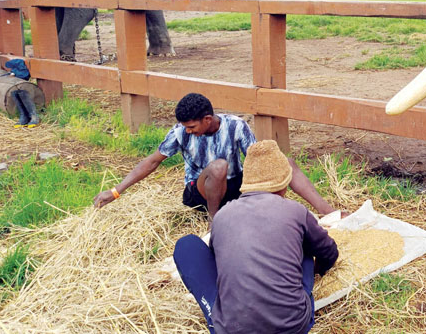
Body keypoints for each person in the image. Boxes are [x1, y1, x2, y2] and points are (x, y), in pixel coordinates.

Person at [93, 93, 339, 229]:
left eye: (192, 126)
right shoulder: (179, 132)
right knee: (219, 166)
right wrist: (115, 192)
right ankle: (215, 224)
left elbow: (256, 159)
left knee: (285, 162)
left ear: (208, 119)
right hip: (200, 192)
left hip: (236, 188)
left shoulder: (235, 126)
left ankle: (328, 212)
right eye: (185, 127)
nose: (188, 131)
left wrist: (272, 182)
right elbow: (151, 162)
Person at [173, 140, 339, 334]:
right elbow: (329, 253)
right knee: (303, 242)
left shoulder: (222, 216)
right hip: (292, 327)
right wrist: (316, 268)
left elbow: (219, 264)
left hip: (232, 329)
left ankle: (217, 317)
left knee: (187, 245)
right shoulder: (296, 211)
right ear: (284, 185)